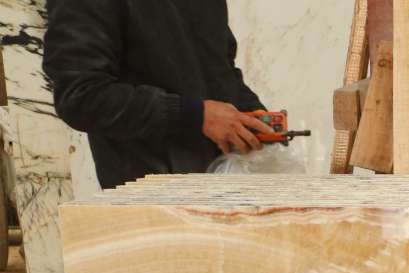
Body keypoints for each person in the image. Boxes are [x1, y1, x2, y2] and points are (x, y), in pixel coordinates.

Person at [43, 0, 275, 190]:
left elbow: (219, 68)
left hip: (223, 192)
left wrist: (253, 116)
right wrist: (196, 115)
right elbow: (81, 97)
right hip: (150, 201)